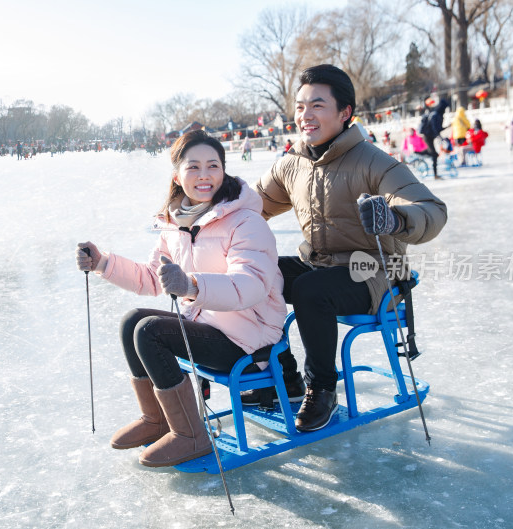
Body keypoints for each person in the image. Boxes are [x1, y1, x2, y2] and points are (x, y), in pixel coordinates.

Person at [250, 64, 448, 432]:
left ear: (345, 113)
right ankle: (279, 373)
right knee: (257, 274)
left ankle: (322, 388)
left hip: (374, 272)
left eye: (317, 106)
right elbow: (249, 204)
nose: (305, 116)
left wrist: (395, 219)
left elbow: (432, 211)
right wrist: (201, 209)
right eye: (300, 106)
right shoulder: (292, 163)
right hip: (321, 264)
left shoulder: (373, 161)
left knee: (312, 290)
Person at [75, 130, 289, 467]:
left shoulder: (246, 222)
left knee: (151, 331)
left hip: (247, 336)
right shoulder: (176, 225)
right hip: (205, 325)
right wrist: (103, 263)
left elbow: (251, 285)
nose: (204, 175)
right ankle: (158, 419)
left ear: (223, 171)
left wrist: (191, 285)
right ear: (178, 175)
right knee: (133, 320)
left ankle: (192, 436)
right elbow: (151, 278)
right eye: (194, 167)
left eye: (213, 166)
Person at [418, 98, 450, 179]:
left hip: (430, 136)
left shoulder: (437, 115)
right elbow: (434, 128)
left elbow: (437, 129)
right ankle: (435, 175)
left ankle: (419, 153)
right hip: (427, 136)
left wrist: (447, 127)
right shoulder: (435, 115)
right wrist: (439, 136)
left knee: (432, 153)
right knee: (434, 154)